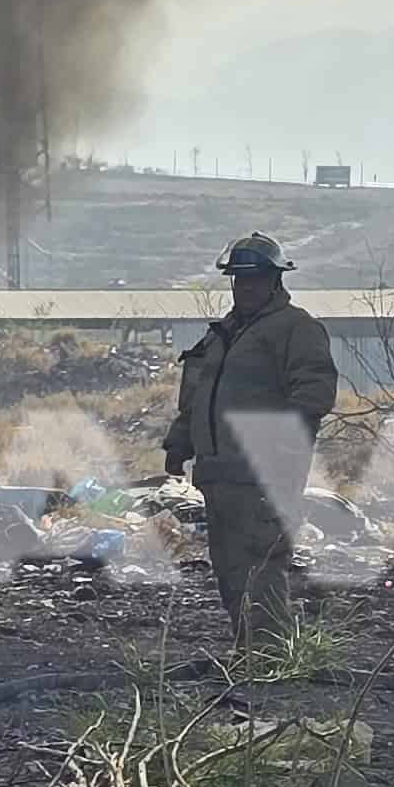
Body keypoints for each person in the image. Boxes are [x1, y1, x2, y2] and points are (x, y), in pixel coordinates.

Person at [161, 232, 335, 649]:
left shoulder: (296, 329)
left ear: (275, 280)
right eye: (238, 279)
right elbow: (198, 396)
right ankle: (250, 653)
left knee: (261, 564)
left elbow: (314, 395)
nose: (245, 287)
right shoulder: (223, 335)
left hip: (264, 475)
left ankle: (271, 658)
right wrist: (179, 443)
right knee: (229, 567)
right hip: (219, 474)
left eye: (254, 278)